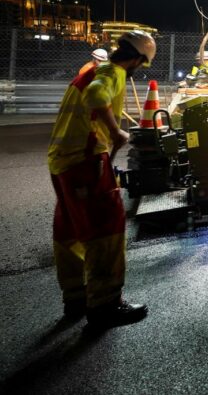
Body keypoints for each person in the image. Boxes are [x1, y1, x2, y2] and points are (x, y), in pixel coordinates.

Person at [48, 30, 156, 327]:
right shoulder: (113, 71)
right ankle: (106, 304)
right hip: (86, 162)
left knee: (70, 228)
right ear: (135, 58)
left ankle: (76, 298)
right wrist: (116, 131)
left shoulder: (91, 69)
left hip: (61, 161)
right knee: (106, 227)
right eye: (141, 64)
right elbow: (98, 95)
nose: (138, 70)